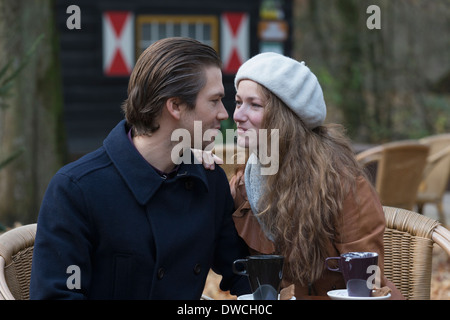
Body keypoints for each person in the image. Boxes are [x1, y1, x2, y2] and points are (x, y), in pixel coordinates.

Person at [29, 37, 250, 299]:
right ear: (175, 106)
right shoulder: (76, 190)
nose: (224, 114)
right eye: (214, 101)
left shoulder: (208, 182)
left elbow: (241, 272)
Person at [226, 52, 404, 299]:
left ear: (284, 117)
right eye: (237, 102)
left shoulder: (339, 181)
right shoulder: (245, 183)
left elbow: (367, 281)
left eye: (254, 105)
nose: (237, 115)